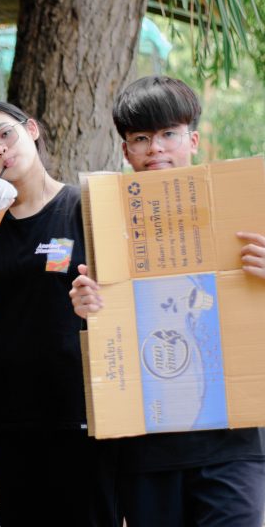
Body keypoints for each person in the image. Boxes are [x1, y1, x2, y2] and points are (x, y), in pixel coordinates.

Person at [70, 75, 265, 527]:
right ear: (126, 151)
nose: (155, 148)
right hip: (146, 446)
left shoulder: (243, 203)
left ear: (192, 140)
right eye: (141, 138)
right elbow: (92, 314)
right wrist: (86, 307)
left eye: (168, 134)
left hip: (233, 442)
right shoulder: (101, 215)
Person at [0, 102, 118, 525]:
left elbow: (117, 301)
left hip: (79, 409)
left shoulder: (81, 206)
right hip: (9, 415)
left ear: (31, 130)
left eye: (5, 134)